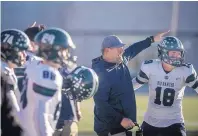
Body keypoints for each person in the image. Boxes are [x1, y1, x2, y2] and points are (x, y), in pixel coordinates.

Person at [92, 31, 169, 136]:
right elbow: (101, 105)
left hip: (124, 125)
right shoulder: (101, 73)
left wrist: (151, 40)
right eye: (118, 48)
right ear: (107, 50)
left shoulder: (120, 59)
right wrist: (121, 120)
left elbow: (134, 49)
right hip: (110, 128)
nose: (122, 50)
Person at [132, 36, 198, 136]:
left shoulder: (186, 71)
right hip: (150, 122)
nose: (176, 56)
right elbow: (133, 86)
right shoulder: (150, 67)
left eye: (178, 53)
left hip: (175, 123)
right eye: (173, 53)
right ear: (163, 52)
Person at [1, 29, 31, 136]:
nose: (24, 55)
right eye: (21, 51)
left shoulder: (7, 70)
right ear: (9, 50)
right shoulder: (3, 73)